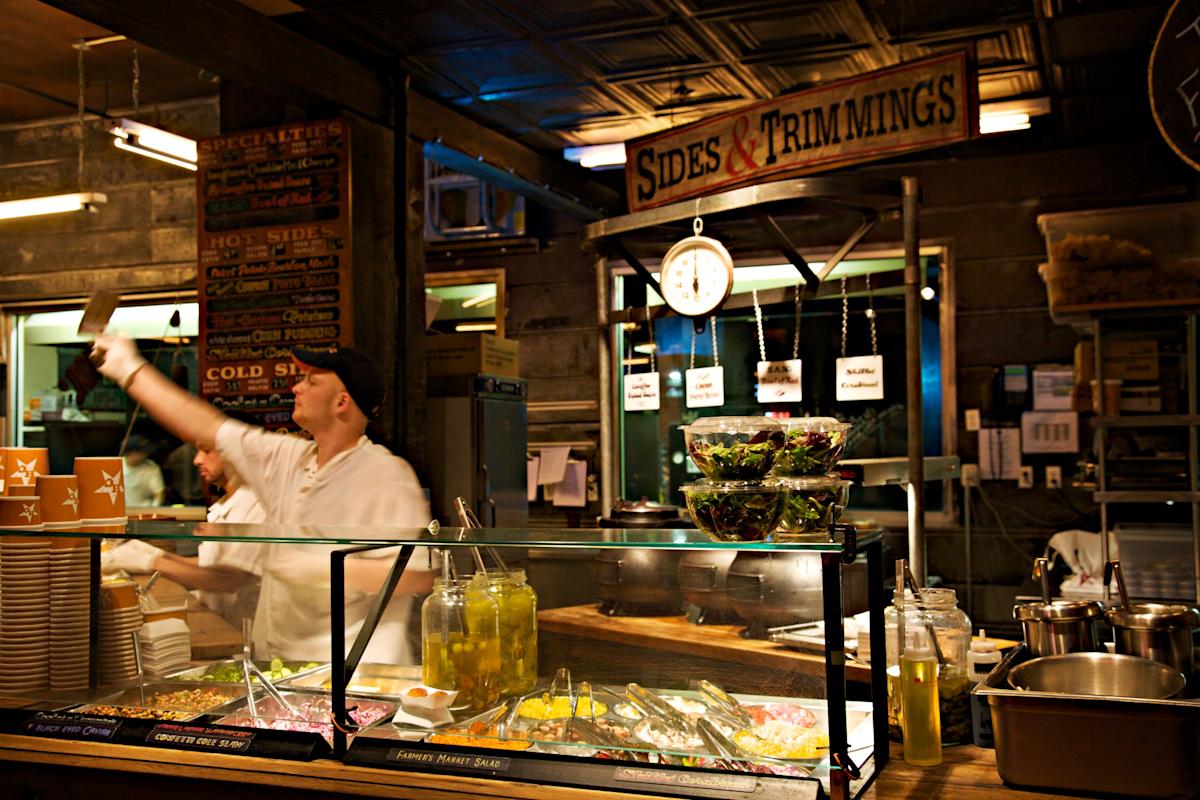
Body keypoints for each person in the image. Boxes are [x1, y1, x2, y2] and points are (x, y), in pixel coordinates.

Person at [91, 335, 434, 662]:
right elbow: (205, 426)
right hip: (283, 667)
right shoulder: (287, 458)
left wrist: (323, 568)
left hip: (356, 672)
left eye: (312, 382)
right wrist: (128, 368)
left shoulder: (385, 474)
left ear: (341, 402)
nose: (296, 387)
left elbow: (416, 575)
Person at [105, 411, 267, 629]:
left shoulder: (257, 503)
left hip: (246, 633)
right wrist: (157, 554)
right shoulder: (228, 503)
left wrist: (151, 563)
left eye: (206, 450)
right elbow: (210, 564)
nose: (196, 460)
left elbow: (228, 579)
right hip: (221, 622)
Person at [122, 434, 165, 507]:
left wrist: (154, 509)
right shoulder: (116, 466)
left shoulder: (152, 468)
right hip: (122, 511)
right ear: (131, 452)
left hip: (144, 511)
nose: (146, 454)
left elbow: (159, 494)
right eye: (142, 452)